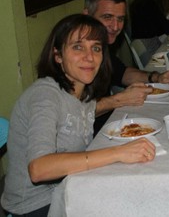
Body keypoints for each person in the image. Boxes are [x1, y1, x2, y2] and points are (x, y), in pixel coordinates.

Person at [0, 14, 156, 216]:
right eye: (78, 47)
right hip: (36, 206)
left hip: (70, 188)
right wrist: (119, 152)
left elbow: (85, 111)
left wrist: (122, 99)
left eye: (96, 48)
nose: (89, 56)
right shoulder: (45, 95)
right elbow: (38, 169)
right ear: (58, 55)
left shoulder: (81, 94)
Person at [83, 0, 169, 135]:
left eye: (120, 19)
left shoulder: (100, 47)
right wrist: (119, 99)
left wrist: (156, 77)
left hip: (111, 125)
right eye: (107, 17)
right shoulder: (74, 57)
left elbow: (122, 73)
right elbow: (72, 112)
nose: (115, 26)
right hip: (90, 139)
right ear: (87, 16)